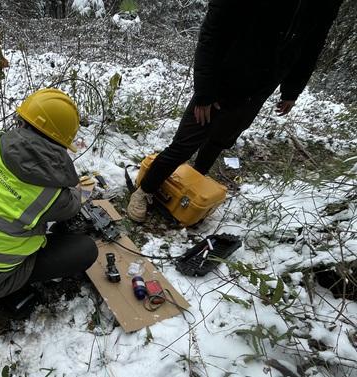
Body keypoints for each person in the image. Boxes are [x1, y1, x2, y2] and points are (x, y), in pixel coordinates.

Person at [127, 0, 343, 222]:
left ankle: (195, 181)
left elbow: (311, 46)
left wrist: (292, 90)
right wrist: (205, 92)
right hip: (222, 80)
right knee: (185, 143)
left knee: (220, 140)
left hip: (261, 86)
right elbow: (212, 33)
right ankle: (144, 191)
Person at [0, 88, 98, 310]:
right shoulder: (51, 194)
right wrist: (80, 186)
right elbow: (73, 203)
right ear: (61, 143)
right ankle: (9, 292)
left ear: (22, 121)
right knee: (87, 250)